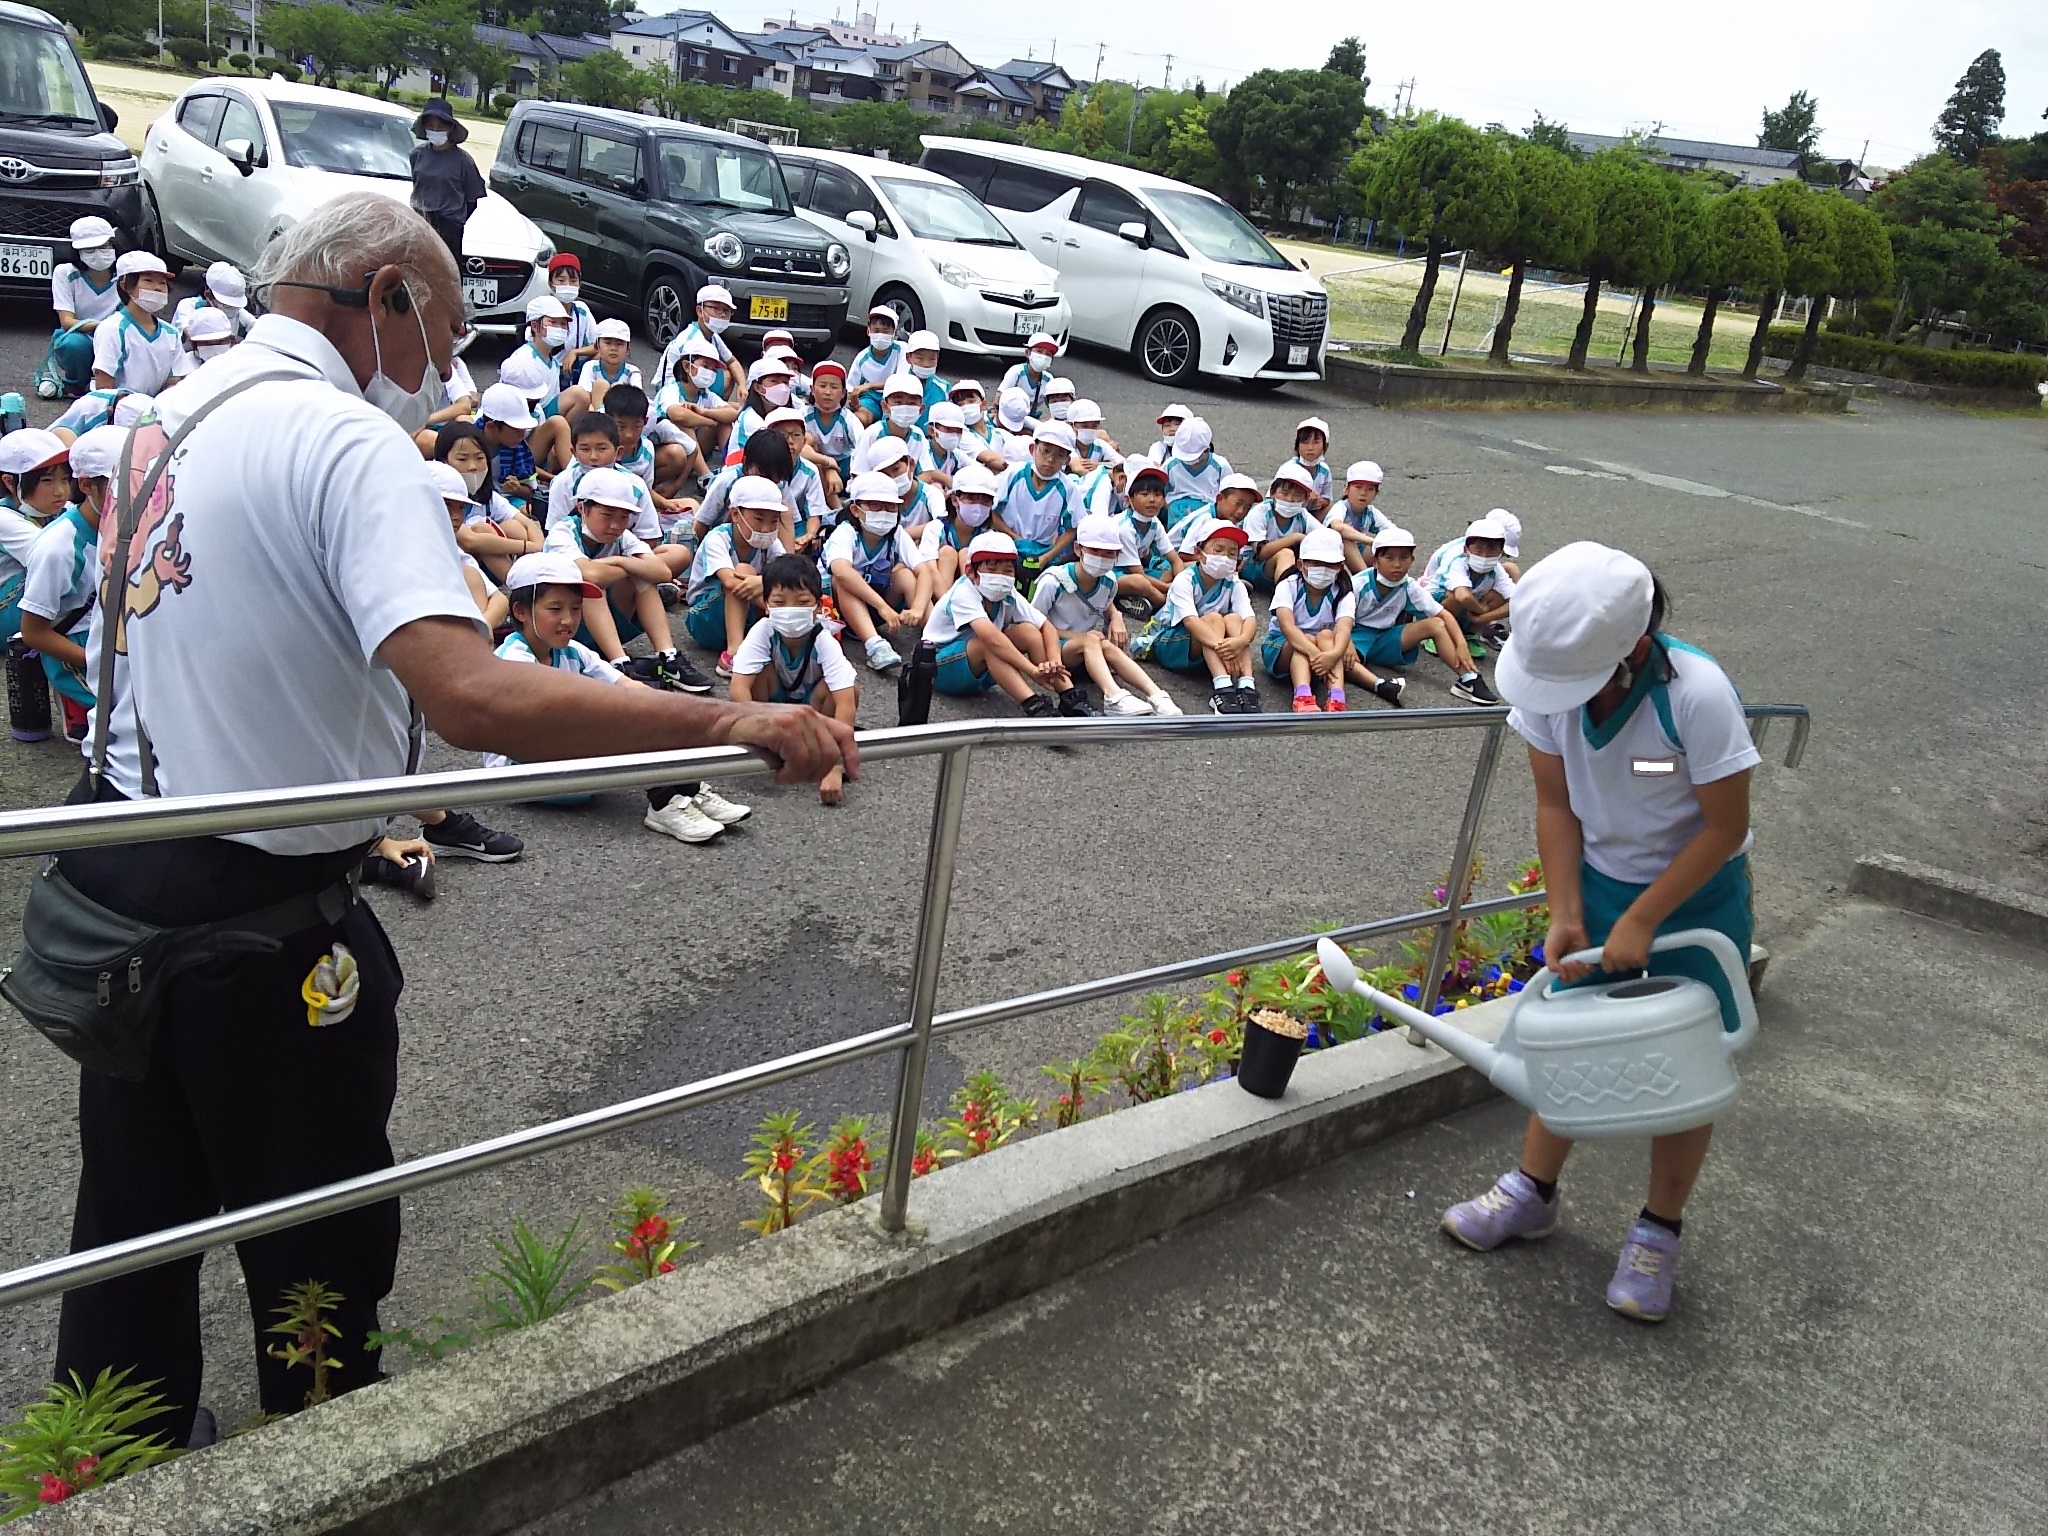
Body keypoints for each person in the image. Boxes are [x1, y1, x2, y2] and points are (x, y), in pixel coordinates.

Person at [42, 194, 852, 1450]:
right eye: (449, 331)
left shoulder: (166, 415)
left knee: (135, 1220)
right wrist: (720, 726)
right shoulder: (344, 440)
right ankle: (322, 1467)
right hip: (262, 917)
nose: (447, 373)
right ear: (387, 298)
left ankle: (112, 1464)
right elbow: (472, 695)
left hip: (126, 861)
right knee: (319, 1237)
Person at [1441, 544, 1759, 1325]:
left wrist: (1649, 918)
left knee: (1685, 1070)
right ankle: (1533, 1192)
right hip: (1601, 887)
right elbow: (1556, 805)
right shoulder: (1551, 685)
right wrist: (1565, 909)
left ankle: (1658, 1232)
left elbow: (1725, 827)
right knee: (1570, 1042)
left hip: (1696, 897)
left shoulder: (1698, 695)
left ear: (1631, 647)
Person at [484, 551, 740, 845]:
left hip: (563, 761)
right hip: (517, 773)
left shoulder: (572, 650)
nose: (568, 620)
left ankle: (687, 789)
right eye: (555, 609)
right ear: (519, 611)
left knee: (650, 708)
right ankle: (665, 803)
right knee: (622, 725)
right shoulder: (514, 659)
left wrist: (674, 713)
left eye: (576, 609)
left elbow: (626, 685)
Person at [542, 465, 701, 690]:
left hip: (607, 621)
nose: (615, 525)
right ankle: (619, 664)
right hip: (567, 626)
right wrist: (635, 566)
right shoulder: (563, 532)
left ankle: (668, 657)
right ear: (582, 508)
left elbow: (662, 573)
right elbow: (590, 573)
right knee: (593, 585)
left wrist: (621, 562)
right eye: (606, 515)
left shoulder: (622, 536)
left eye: (623, 517)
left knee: (644, 577)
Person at [728, 554, 858, 805]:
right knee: (755, 676)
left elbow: (845, 702)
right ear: (766, 604)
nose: (790, 610)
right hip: (772, 707)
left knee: (849, 688)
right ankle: (765, 744)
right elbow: (738, 688)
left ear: (818, 606)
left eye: (801, 602)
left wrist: (833, 768)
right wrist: (759, 728)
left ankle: (823, 750)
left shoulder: (824, 639)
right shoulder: (763, 631)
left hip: (814, 709)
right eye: (779, 602)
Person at [19, 426, 120, 738]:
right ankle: (77, 706)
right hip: (78, 646)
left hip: (117, 635)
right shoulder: (59, 547)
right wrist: (99, 662)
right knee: (137, 722)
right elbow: (33, 632)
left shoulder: (128, 522)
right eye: (119, 486)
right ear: (88, 485)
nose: (134, 494)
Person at [1031, 513, 1175, 717]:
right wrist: (1079, 637)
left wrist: (1116, 618)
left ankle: (1157, 696)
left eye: (1109, 553)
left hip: (1087, 652)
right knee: (1093, 639)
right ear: (1078, 549)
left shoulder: (1109, 582)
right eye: (1094, 550)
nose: (1101, 557)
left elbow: (1107, 605)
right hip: (1053, 652)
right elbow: (1033, 625)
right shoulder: (1053, 581)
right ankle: (1113, 696)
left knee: (1104, 644)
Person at [923, 530, 1071, 716]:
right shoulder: (963, 593)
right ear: (971, 572)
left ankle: (1069, 695)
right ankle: (1033, 704)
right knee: (989, 643)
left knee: (1029, 631)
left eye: (1008, 570)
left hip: (976, 666)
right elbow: (991, 638)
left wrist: (1054, 660)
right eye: (992, 570)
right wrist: (1032, 671)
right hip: (937, 669)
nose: (1001, 576)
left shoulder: (1009, 594)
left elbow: (1045, 626)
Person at [1349, 526, 1496, 705]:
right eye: (1389, 558)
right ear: (1375, 561)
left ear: (1412, 560)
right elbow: (1337, 619)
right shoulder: (1358, 584)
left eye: (1404, 558)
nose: (1397, 564)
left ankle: (1468, 678)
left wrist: (1461, 644)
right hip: (1355, 636)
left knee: (1436, 624)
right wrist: (1345, 643)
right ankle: (1381, 685)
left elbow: (1443, 615)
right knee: (1338, 654)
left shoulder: (1409, 585)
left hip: (1384, 638)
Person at [1133, 516, 1258, 716]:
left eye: (1232, 553)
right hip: (1170, 642)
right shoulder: (1185, 580)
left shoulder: (1233, 582)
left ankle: (1246, 684)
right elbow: (1190, 622)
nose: (1225, 557)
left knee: (1235, 620)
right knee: (1213, 618)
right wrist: (1225, 648)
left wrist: (1240, 642)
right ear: (1199, 552)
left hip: (1210, 646)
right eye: (1218, 550)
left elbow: (1250, 619)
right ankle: (1222, 687)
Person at [822, 469, 930, 673]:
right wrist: (882, 606)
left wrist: (917, 607)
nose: (884, 512)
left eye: (890, 507)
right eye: (875, 506)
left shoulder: (896, 533)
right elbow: (842, 571)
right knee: (842, 580)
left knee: (905, 575)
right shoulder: (846, 532)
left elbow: (923, 571)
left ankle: (934, 637)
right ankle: (875, 646)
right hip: (834, 610)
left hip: (875, 607)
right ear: (855, 510)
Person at [684, 473, 788, 674]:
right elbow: (731, 582)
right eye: (758, 519)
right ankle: (733, 654)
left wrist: (764, 585)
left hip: (748, 611)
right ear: (735, 514)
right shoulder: (718, 538)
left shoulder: (770, 542)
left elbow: (788, 574)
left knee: (786, 587)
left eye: (773, 521)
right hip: (706, 617)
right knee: (742, 572)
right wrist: (767, 587)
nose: (766, 528)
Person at [1261, 525, 1355, 714]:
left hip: (1322, 654)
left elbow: (1344, 628)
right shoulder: (1288, 586)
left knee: (1329, 636)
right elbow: (1287, 628)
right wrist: (1316, 654)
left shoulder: (1344, 592)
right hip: (1282, 646)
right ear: (1300, 564)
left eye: (1330, 564)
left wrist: (1334, 655)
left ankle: (1336, 695)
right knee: (1305, 640)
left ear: (1340, 567)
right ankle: (1302, 695)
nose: (1323, 569)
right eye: (1315, 563)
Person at [436, 421, 539, 584]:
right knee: (482, 530)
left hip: (488, 569)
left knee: (513, 526)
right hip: (457, 568)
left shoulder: (488, 496)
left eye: (479, 458)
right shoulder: (439, 499)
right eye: (462, 459)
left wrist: (538, 545)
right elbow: (470, 541)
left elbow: (527, 523)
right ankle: (519, 585)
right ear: (443, 461)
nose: (472, 467)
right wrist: (528, 546)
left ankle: (533, 581)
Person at [0, 427, 73, 647]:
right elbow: (54, 556)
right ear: (10, 482)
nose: (60, 490)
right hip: (7, 614)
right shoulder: (5, 518)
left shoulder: (56, 511)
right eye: (47, 481)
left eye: (65, 479)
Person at [42, 216, 122, 397]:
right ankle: (77, 384)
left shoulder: (125, 273)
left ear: (113, 244)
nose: (98, 253)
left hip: (117, 334)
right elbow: (67, 321)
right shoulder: (65, 273)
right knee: (73, 345)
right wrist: (101, 326)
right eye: (89, 249)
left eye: (104, 246)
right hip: (82, 335)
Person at [991, 423, 1080, 584]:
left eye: (1059, 455)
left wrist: (1047, 557)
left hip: (1043, 552)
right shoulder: (1014, 474)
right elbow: (993, 512)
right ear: (1033, 449)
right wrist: (1015, 538)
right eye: (1045, 451)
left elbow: (1071, 529)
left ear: (1067, 460)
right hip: (1007, 543)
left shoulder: (1068, 488)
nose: (1051, 459)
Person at [92, 252, 182, 395]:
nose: (157, 288)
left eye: (162, 282)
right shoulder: (112, 329)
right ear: (126, 286)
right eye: (148, 280)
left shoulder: (172, 333)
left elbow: (173, 381)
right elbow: (104, 386)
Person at [408, 98, 485, 260]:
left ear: (450, 128)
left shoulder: (464, 161)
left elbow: (472, 200)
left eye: (441, 126)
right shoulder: (417, 155)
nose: (435, 130)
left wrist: (456, 221)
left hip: (450, 226)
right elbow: (418, 185)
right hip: (420, 221)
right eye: (430, 126)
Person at [1429, 516, 1517, 649]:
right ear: (1466, 549)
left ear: (1501, 552)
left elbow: (1516, 601)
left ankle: (1468, 635)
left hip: (1468, 610)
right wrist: (1481, 609)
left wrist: (1482, 618)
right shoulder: (1457, 560)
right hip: (1434, 606)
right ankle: (1436, 634)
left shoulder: (1496, 569)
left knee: (1499, 596)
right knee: (1454, 597)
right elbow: (1463, 596)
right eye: (1479, 549)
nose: (1485, 556)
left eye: (1492, 550)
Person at [657, 284, 746, 407]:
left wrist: (742, 386)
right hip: (676, 392)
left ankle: (714, 409)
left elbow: (732, 361)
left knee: (728, 374)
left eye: (726, 311)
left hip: (695, 388)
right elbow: (679, 380)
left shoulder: (713, 336)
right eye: (716, 309)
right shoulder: (691, 339)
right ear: (699, 311)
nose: (723, 315)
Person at [1112, 458, 1180, 615]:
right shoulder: (1125, 528)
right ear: (1129, 500)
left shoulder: (1154, 522)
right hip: (1114, 574)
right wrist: (1170, 588)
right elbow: (1138, 574)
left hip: (1137, 571)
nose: (1152, 500)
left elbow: (1174, 559)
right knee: (1141, 584)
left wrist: (1181, 582)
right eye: (1144, 494)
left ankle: (1133, 600)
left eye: (1157, 494)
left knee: (1188, 568)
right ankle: (1123, 598)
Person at [919, 460, 999, 591]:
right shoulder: (936, 529)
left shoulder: (988, 537)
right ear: (955, 499)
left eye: (985, 500)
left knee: (966, 554)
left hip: (972, 597)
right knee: (947, 553)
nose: (978, 506)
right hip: (938, 595)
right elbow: (930, 569)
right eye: (972, 498)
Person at [1241, 463, 1321, 592]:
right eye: (1284, 493)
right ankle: (1286, 597)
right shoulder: (1260, 512)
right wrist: (1294, 538)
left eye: (1297, 494)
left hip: (1286, 565)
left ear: (1305, 498)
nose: (1290, 499)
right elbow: (1261, 553)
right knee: (1286, 554)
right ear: (1273, 492)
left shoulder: (1302, 515)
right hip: (1253, 567)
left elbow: (1323, 535)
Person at [802, 360, 855, 498]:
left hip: (844, 467)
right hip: (817, 463)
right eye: (822, 385)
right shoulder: (803, 415)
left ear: (843, 393)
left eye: (834, 387)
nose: (827, 392)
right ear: (812, 389)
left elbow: (861, 449)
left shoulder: (848, 419)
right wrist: (828, 467)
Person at [1161, 416, 1232, 520]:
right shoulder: (1170, 466)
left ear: (1207, 449)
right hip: (1176, 514)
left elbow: (1230, 496)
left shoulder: (1220, 466)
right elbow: (1160, 492)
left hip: (1208, 516)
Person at [546, 255, 601, 387]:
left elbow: (599, 344)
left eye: (573, 281)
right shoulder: (542, 309)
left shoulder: (581, 311)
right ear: (551, 284)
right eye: (561, 280)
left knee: (603, 355)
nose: (567, 285)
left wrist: (575, 352)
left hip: (571, 369)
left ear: (579, 284)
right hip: (547, 371)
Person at [1326, 460, 1389, 574]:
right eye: (1358, 487)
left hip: (1359, 554)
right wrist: (1371, 541)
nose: (1363, 493)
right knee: (1346, 540)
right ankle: (1365, 578)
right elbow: (1338, 527)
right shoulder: (1341, 507)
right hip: (1332, 555)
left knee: (1387, 542)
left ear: (1376, 494)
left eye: (1370, 489)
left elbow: (1392, 531)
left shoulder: (1371, 512)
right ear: (1346, 489)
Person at [846, 305, 904, 423]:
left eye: (886, 331)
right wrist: (853, 399)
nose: (880, 335)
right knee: (860, 418)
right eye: (876, 331)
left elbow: (901, 381)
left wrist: (869, 385)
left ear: (894, 333)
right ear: (868, 331)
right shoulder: (862, 358)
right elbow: (851, 387)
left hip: (896, 397)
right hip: (870, 398)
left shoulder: (902, 350)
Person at [170, 261, 252, 339]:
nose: (233, 309)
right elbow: (188, 330)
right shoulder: (188, 306)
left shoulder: (239, 313)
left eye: (236, 305)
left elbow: (257, 326)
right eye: (226, 305)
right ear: (208, 294)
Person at [574, 317, 642, 404]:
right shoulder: (590, 367)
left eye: (619, 344)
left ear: (628, 350)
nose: (613, 348)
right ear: (597, 346)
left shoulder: (632, 372)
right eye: (608, 343)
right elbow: (584, 398)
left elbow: (637, 402)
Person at [999, 332, 1058, 419]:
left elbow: (1053, 406)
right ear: (1027, 353)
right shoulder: (1016, 372)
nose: (1044, 357)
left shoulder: (1049, 379)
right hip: (1008, 417)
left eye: (1048, 354)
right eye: (1039, 351)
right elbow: (999, 397)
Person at [170, 307, 238, 380]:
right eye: (206, 343)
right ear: (193, 344)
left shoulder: (241, 363)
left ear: (232, 340)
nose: (214, 347)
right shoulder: (181, 369)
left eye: (220, 341)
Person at [1287, 415, 1335, 512]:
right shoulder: (1289, 469)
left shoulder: (1324, 470)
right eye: (1305, 442)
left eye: (1316, 442)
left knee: (1332, 509)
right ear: (1297, 445)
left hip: (1312, 514)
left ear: (1325, 446)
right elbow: (1272, 498)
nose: (1310, 447)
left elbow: (1327, 498)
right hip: (1290, 513)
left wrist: (1322, 501)